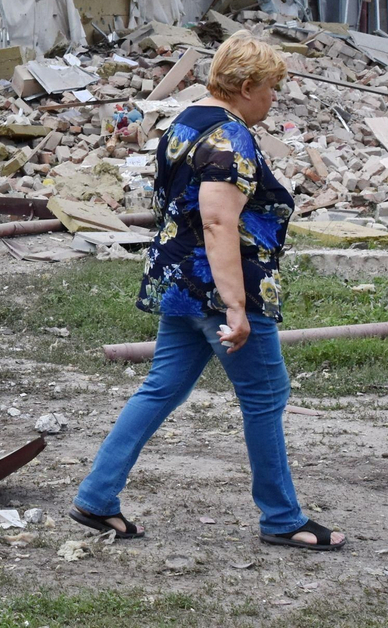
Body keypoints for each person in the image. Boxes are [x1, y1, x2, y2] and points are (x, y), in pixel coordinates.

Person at [70, 32, 345, 552]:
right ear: (245, 87)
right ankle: (283, 518)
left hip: (180, 283)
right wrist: (237, 307)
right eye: (271, 90)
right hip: (221, 286)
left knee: (162, 387)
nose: (274, 100)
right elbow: (219, 222)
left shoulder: (186, 122)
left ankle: (98, 495)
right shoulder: (229, 138)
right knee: (265, 397)